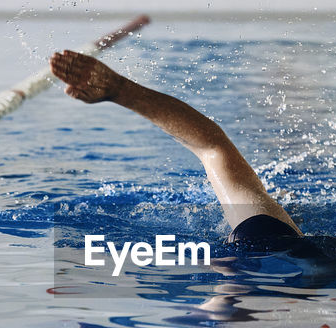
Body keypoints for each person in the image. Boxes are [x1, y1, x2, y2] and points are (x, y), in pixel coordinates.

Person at [50, 49, 306, 253]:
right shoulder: (266, 239)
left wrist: (118, 90)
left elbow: (212, 146)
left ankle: (282, 207)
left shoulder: (257, 238)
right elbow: (213, 146)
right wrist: (118, 90)